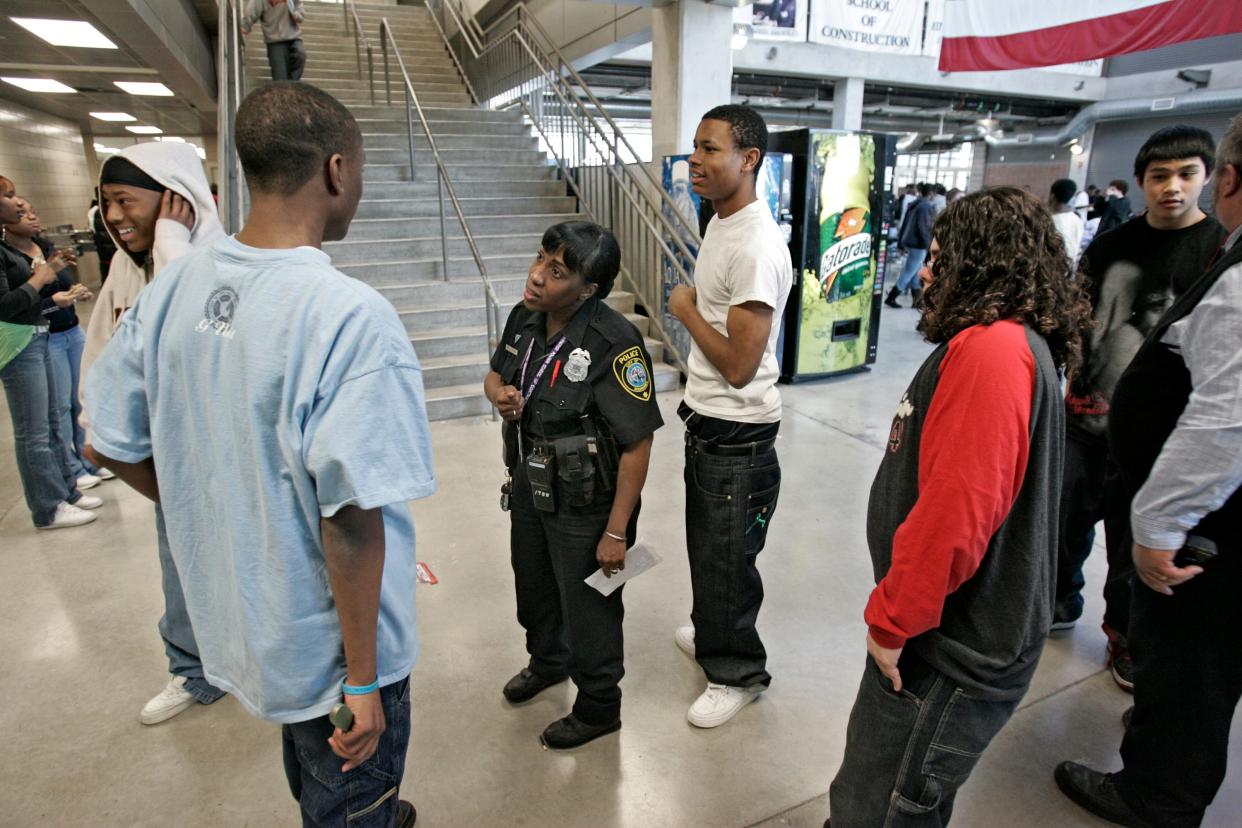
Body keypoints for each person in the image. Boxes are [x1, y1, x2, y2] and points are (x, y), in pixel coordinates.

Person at [85, 82, 431, 827]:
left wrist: (205, 500)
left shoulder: (174, 288)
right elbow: (350, 516)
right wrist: (365, 681)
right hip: (333, 648)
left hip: (252, 624)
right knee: (346, 795)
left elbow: (103, 438)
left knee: (310, 773)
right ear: (337, 170)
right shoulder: (349, 316)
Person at [826, 187, 1092, 827]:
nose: (925, 271)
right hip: (951, 634)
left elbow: (957, 513)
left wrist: (893, 620)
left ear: (983, 263)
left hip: (947, 647)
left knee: (880, 805)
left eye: (940, 259)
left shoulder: (993, 350)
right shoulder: (1011, 343)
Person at [1054, 112, 1242, 828]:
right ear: (1139, 184)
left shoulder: (1221, 256)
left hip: (1187, 494)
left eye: (1187, 174)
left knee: (1172, 629)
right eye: (1158, 175)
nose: (1171, 187)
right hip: (1096, 433)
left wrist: (1163, 521)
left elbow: (1225, 414)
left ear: (1219, 179)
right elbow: (1083, 318)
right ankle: (1066, 603)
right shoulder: (1114, 246)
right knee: (1073, 531)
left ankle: (1154, 791)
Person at [485, 221, 663, 750]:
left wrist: (616, 533)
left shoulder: (615, 342)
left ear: (588, 289)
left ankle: (599, 708)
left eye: (556, 271)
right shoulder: (524, 317)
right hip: (530, 481)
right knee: (533, 585)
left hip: (587, 500)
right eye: (540, 258)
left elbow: (638, 444)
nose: (537, 276)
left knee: (590, 608)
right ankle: (548, 663)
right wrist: (499, 394)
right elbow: (495, 374)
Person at [82, 140, 228, 725]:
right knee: (183, 564)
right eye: (106, 203)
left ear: (177, 201)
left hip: (220, 453)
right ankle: (195, 671)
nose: (115, 217)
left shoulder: (216, 264)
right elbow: (101, 355)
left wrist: (171, 242)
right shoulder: (125, 269)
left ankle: (242, 662)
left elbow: (197, 332)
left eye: (126, 200)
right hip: (165, 459)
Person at [667, 104, 792, 729]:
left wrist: (685, 311)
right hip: (708, 424)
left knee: (728, 561)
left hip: (740, 436)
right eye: (696, 146)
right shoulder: (722, 220)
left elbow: (741, 365)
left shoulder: (757, 246)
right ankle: (714, 632)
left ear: (749, 160)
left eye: (711, 149)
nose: (696, 158)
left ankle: (738, 672)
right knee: (707, 550)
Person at [0, 177, 100, 529]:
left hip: (39, 334)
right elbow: (5, 305)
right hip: (18, 341)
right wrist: (41, 278)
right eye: (10, 197)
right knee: (34, 432)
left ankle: (67, 490)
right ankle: (47, 506)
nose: (19, 205)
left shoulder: (23, 248)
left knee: (54, 423)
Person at [886, 182, 934, 308]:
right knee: (910, 271)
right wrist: (928, 243)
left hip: (912, 241)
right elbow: (923, 227)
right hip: (919, 243)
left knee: (915, 271)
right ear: (930, 194)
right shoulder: (925, 206)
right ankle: (892, 296)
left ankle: (917, 301)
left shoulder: (916, 204)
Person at [242, 0, 307, 82]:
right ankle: (283, 89)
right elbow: (251, 13)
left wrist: (296, 14)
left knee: (300, 54)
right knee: (280, 76)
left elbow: (299, 11)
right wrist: (246, 26)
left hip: (293, 36)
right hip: (274, 40)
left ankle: (292, 84)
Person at [1049, 178, 1085, 269]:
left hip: (1051, 269)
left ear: (1052, 196)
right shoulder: (1077, 220)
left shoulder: (1049, 220)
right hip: (1070, 268)